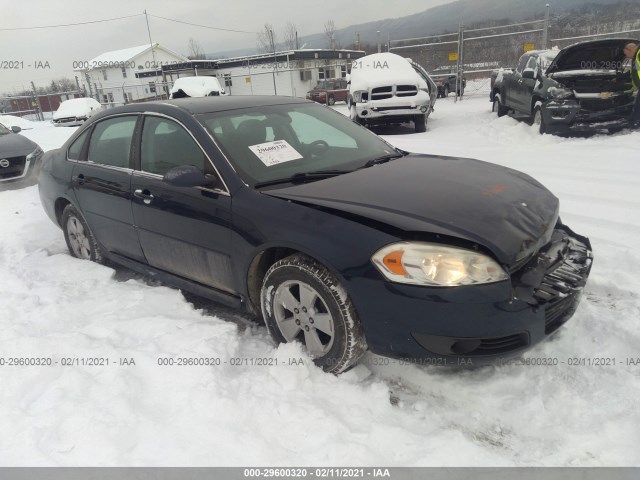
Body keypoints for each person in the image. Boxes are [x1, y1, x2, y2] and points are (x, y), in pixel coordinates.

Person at [623, 42, 640, 128]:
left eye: (627, 54)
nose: (627, 56)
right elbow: (633, 72)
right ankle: (635, 123)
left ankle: (635, 124)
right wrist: (619, 77)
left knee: (638, 107)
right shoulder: (635, 57)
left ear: (630, 50)